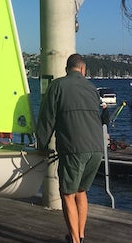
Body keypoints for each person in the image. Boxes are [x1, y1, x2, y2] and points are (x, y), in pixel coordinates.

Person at [36, 54, 109, 243]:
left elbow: (47, 119)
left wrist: (42, 146)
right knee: (81, 191)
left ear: (66, 68)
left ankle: (75, 241)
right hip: (96, 148)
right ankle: (80, 235)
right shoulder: (92, 88)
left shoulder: (57, 86)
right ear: (83, 70)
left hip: (74, 148)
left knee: (67, 194)